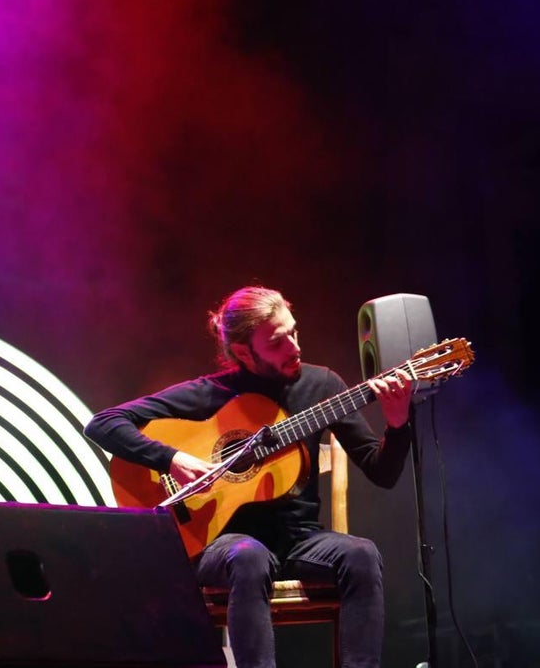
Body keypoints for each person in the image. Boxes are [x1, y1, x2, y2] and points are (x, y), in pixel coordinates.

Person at [84, 286, 413, 668]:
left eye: (294, 332)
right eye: (277, 341)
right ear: (243, 352)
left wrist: (397, 423)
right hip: (223, 545)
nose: (294, 347)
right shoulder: (212, 395)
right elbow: (103, 423)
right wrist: (171, 459)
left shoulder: (322, 388)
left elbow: (382, 472)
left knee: (361, 554)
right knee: (249, 556)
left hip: (300, 541)